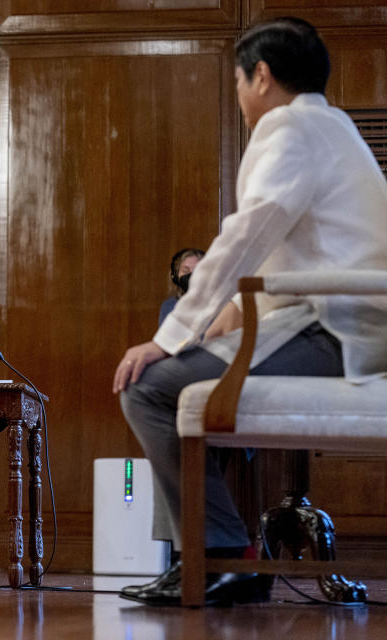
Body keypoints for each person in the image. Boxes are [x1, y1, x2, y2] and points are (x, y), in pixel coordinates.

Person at [112, 17, 387, 607]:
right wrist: (225, 314)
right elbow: (298, 248)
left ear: (261, 76)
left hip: (337, 331)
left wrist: (170, 336)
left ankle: (224, 557)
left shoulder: (289, 126)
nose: (239, 97)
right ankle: (225, 554)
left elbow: (244, 236)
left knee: (148, 385)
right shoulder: (333, 127)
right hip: (346, 320)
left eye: (238, 81)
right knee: (174, 378)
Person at [158, 248, 204, 327]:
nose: (191, 276)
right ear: (175, 276)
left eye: (197, 271)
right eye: (186, 271)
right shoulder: (170, 305)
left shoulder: (217, 305)